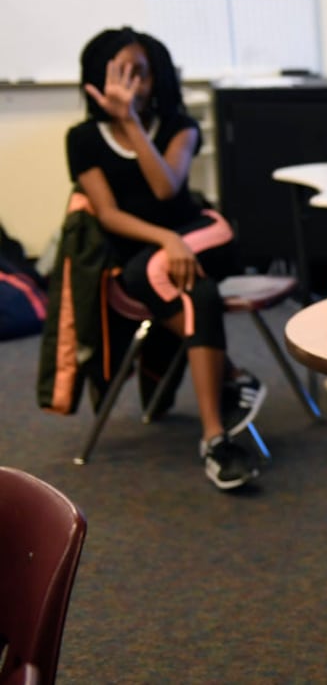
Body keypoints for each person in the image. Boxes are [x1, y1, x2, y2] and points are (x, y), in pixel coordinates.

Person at [64, 28, 264, 491]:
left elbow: (166, 187)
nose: (132, 82)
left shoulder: (179, 127)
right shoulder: (82, 139)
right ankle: (220, 422)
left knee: (160, 273)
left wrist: (131, 122)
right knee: (189, 290)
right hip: (147, 252)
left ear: (158, 79)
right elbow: (109, 214)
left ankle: (217, 425)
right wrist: (164, 241)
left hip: (203, 238)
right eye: (120, 72)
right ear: (98, 78)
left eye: (142, 72)